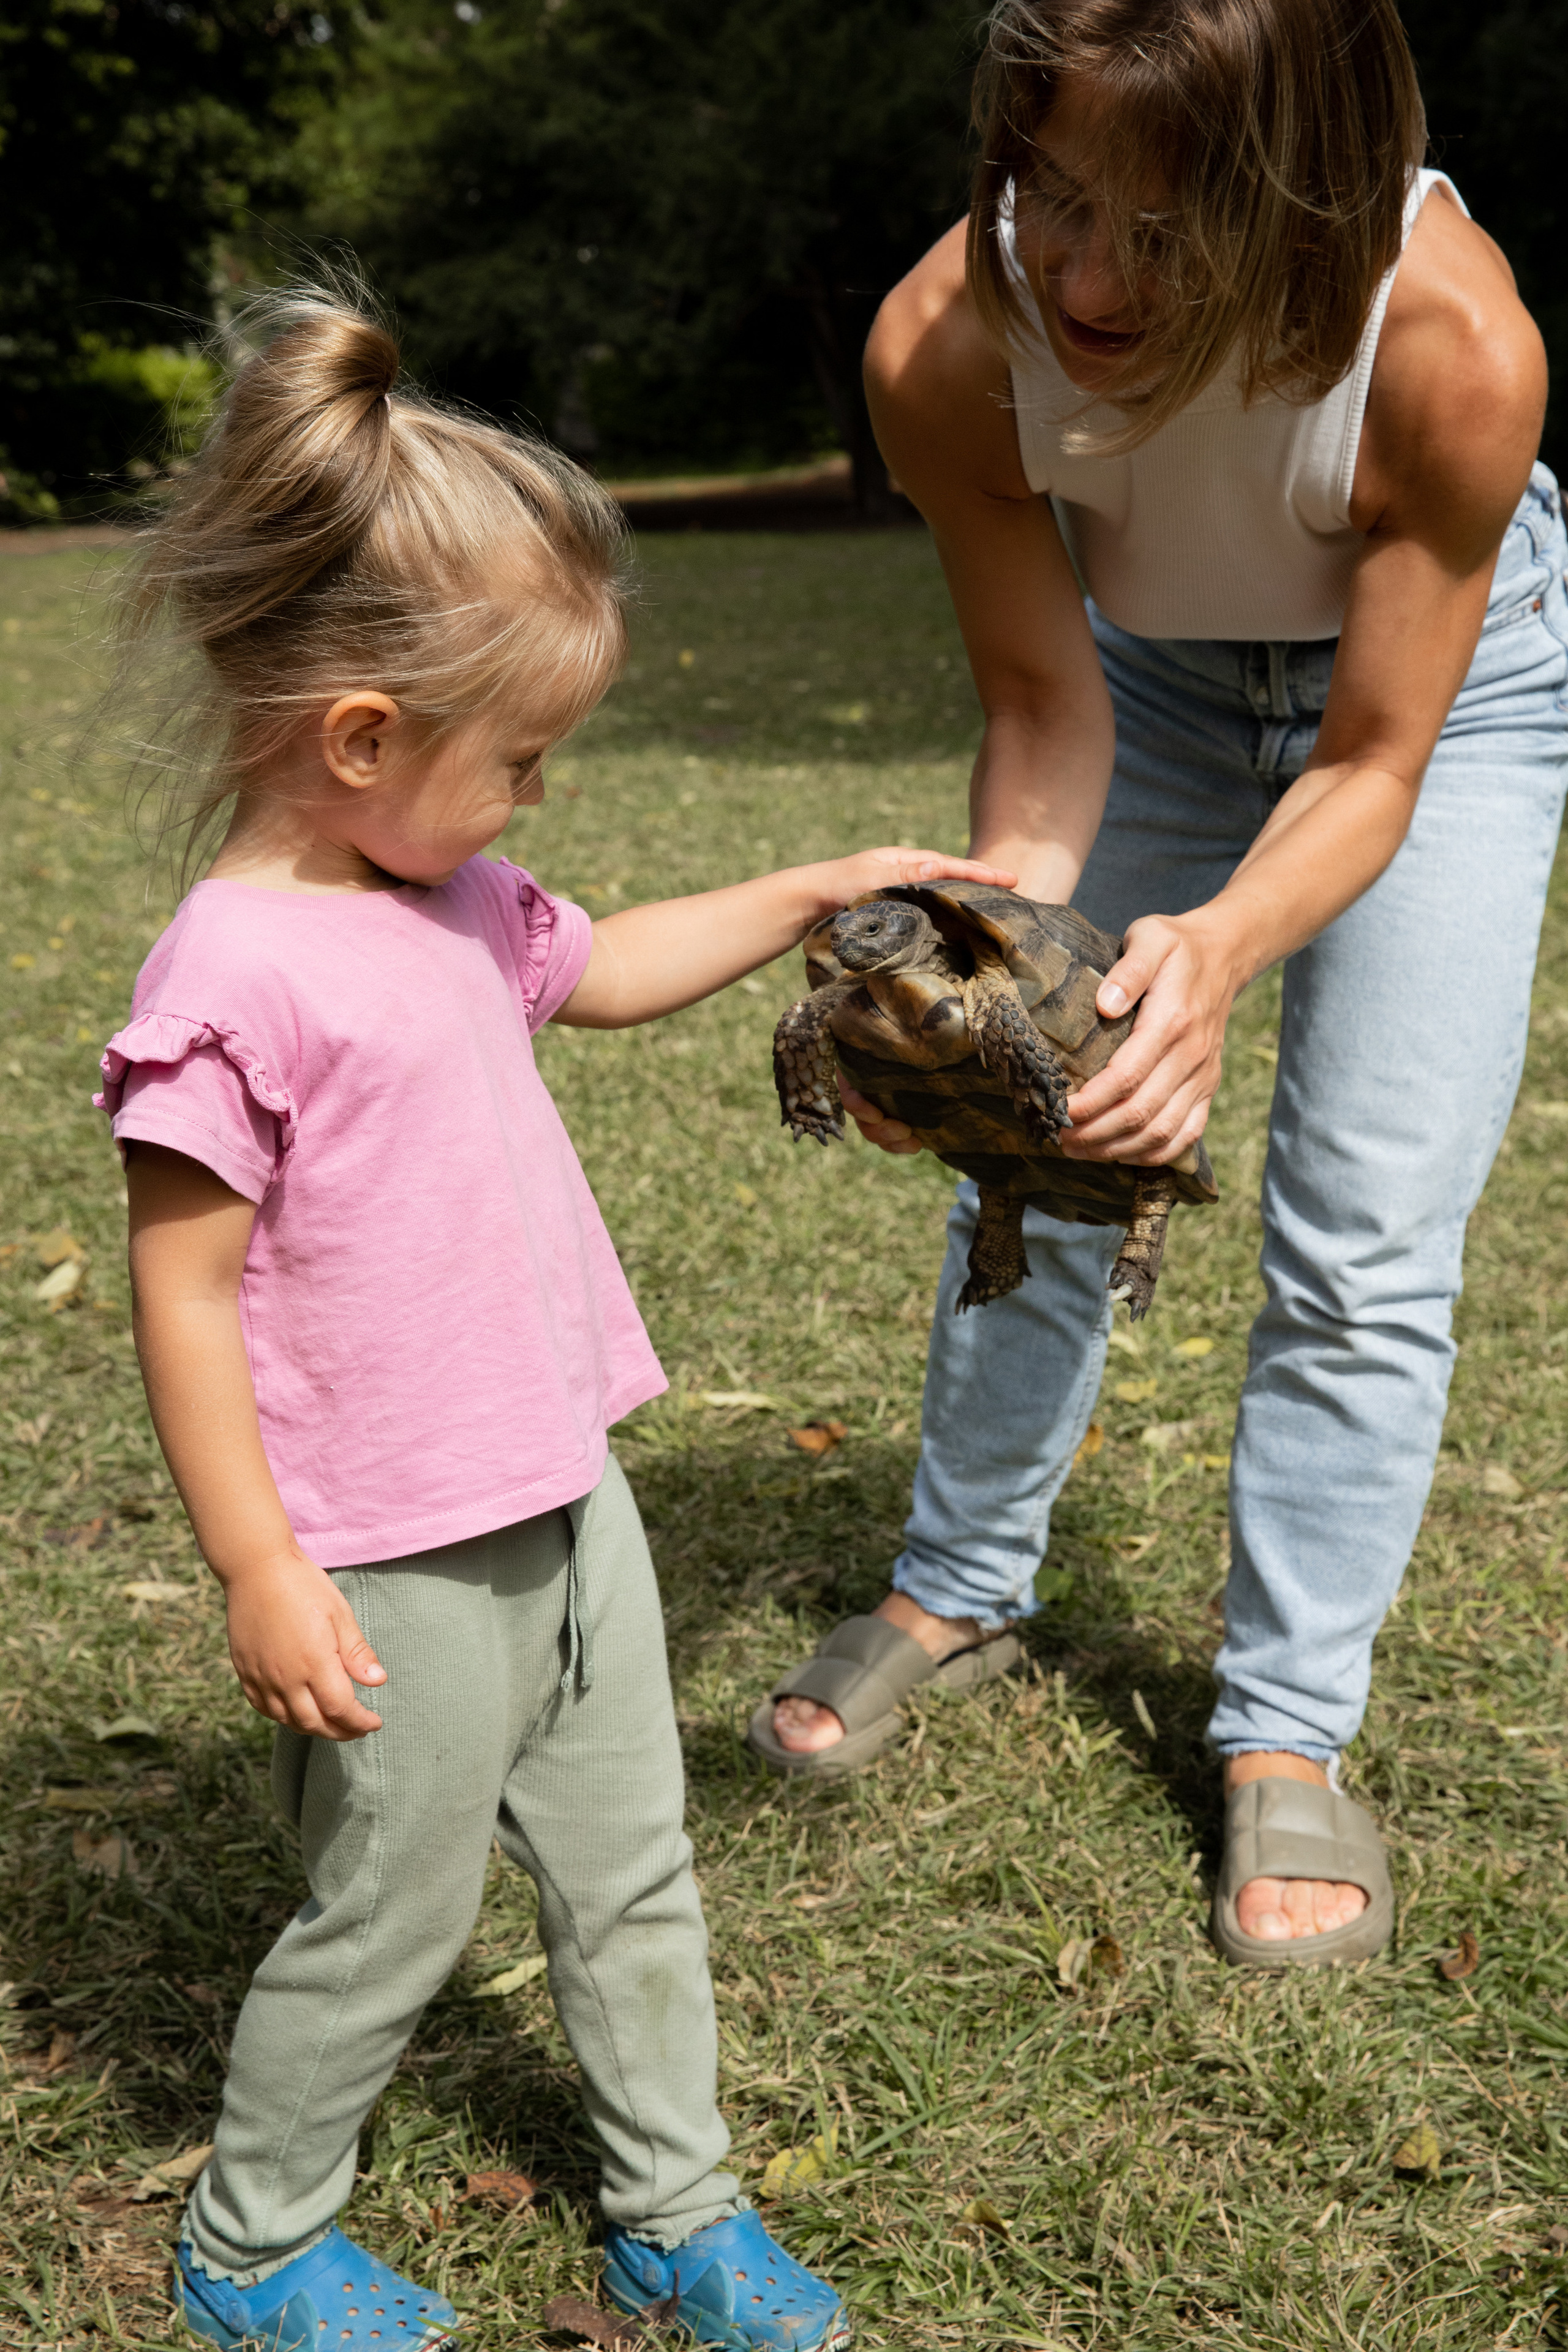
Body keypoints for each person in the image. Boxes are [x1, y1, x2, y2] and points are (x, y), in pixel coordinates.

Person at [102, 284, 1009, 2352]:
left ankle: (674, 2210)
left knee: (635, 1874)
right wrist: (259, 1560)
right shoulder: (237, 976)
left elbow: (602, 969)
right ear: (359, 741)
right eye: (521, 759)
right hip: (394, 1553)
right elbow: (182, 1286)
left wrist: (805, 888)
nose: (539, 795)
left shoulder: (451, 898)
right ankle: (253, 2241)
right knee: (393, 1909)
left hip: (566, 1485)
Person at [749, 0, 1567, 1969]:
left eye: (1172, 228)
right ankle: (957, 1584)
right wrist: (993, 964)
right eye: (1051, 195)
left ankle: (1287, 1728)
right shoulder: (948, 343)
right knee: (1027, 1141)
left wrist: (1219, 954)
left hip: (1440, 717)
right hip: (1148, 690)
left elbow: (1376, 761)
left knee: (1365, 1230)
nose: (1093, 276)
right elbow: (1043, 705)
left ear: (1310, 194)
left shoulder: (1448, 352)